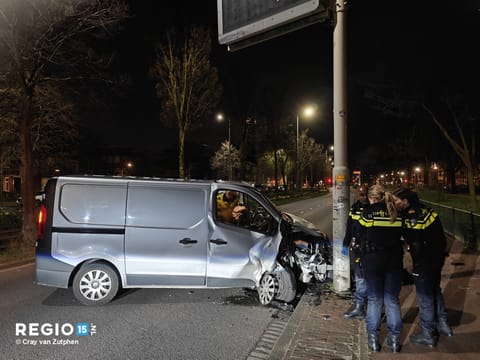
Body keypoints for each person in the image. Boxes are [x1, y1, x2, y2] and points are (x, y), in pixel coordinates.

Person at [394, 187, 452, 347]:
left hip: (423, 263)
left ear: (406, 201)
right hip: (437, 259)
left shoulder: (411, 218)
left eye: (397, 201)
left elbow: (415, 243)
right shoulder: (428, 211)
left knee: (425, 297)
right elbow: (441, 237)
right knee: (435, 291)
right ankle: (443, 324)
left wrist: (414, 263)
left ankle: (427, 333)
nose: (395, 204)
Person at [359, 184, 404, 353]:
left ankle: (372, 340)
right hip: (393, 263)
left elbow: (360, 233)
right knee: (392, 300)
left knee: (375, 300)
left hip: (373, 262)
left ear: (372, 198)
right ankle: (394, 341)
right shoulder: (396, 212)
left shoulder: (368, 213)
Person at [342, 186, 369, 319]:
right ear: (358, 195)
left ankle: (362, 306)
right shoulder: (354, 208)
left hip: (369, 249)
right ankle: (360, 305)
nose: (363, 197)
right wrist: (345, 244)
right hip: (357, 248)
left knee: (364, 278)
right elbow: (349, 226)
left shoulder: (373, 208)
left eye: (365, 194)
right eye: (361, 194)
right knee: (360, 278)